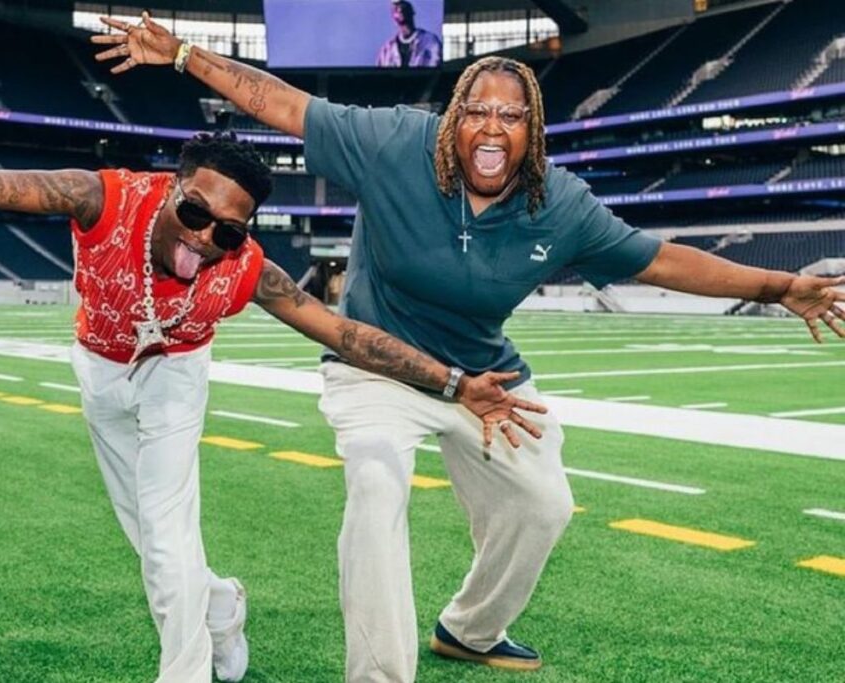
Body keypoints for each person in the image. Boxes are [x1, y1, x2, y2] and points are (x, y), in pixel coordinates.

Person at [95, 17, 845, 681]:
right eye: (477, 111)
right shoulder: (394, 142)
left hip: (485, 375)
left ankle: (470, 628)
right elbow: (281, 104)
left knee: (544, 503)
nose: (492, 128)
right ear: (454, 118)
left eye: (511, 116)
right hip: (374, 367)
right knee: (377, 483)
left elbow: (658, 260)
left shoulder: (561, 203)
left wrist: (781, 285)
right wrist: (185, 52)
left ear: (533, 129)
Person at [0, 105, 548, 682]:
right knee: (148, 540)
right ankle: (223, 605)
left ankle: (187, 670)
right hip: (100, 368)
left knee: (168, 537)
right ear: (173, 187)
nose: (204, 239)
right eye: (196, 213)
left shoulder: (245, 267)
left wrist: (452, 381)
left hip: (176, 373)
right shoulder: (103, 200)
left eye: (228, 231)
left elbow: (343, 332)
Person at [376, 0, 442, 68]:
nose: (400, 9)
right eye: (396, 8)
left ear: (412, 11)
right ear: (392, 15)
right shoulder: (387, 50)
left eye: (403, 6)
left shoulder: (430, 42)